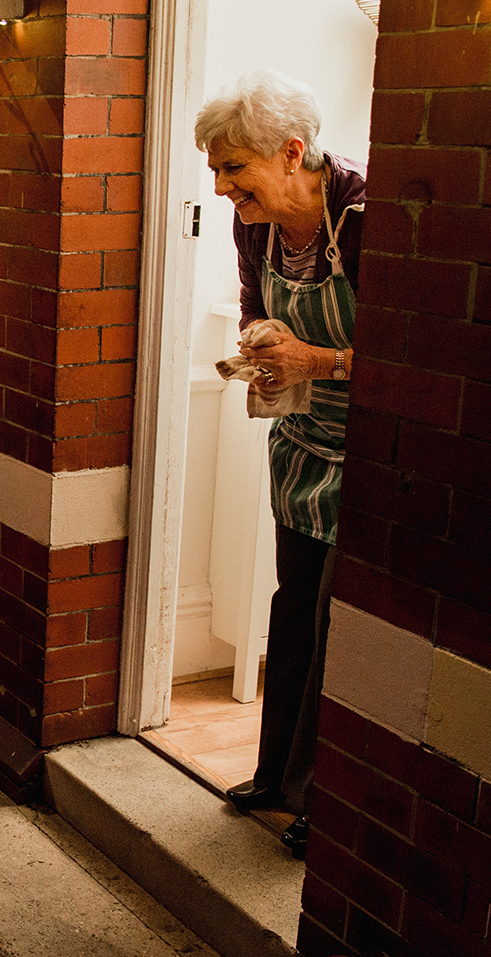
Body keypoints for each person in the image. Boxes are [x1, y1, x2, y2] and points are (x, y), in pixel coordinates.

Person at [195, 69, 364, 858]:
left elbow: (409, 358)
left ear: (292, 152)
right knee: (295, 608)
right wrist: (263, 341)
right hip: (302, 449)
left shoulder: (368, 218)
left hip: (367, 454)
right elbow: (255, 301)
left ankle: (325, 803)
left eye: (234, 168)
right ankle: (277, 777)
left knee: (343, 627)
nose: (222, 184)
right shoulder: (257, 228)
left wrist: (317, 361)